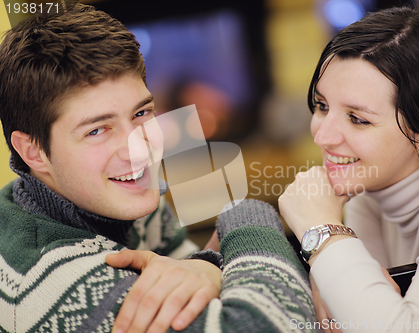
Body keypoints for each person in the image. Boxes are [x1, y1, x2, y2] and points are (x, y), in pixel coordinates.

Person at [0, 2, 317, 332]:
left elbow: (202, 279)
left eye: (141, 114)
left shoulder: (121, 200)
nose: (139, 149)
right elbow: (276, 324)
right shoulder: (58, 281)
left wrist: (207, 266)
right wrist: (246, 214)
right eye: (96, 130)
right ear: (33, 152)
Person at [279, 6, 419, 333]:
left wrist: (321, 233)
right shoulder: (372, 185)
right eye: (322, 105)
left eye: (357, 118)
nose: (322, 136)